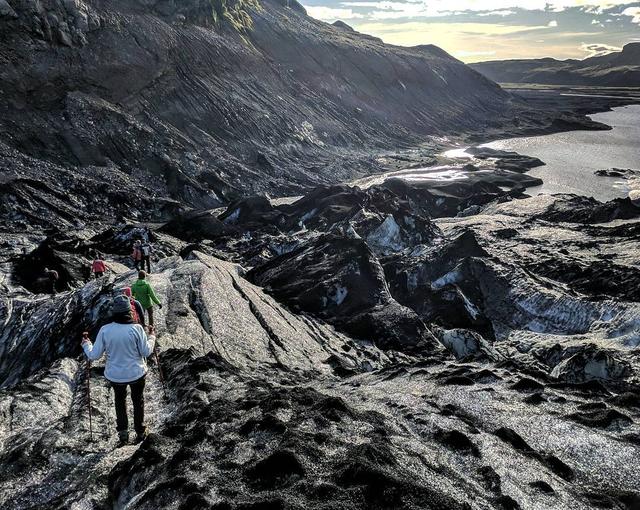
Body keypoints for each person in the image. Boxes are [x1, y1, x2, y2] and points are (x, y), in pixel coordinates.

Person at [81, 295, 156, 446]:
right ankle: (140, 431)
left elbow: (94, 355)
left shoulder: (105, 330)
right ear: (129, 310)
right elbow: (146, 352)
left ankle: (123, 434)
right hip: (137, 373)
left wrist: (86, 344)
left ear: (114, 312)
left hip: (115, 376)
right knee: (138, 400)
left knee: (119, 401)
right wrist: (152, 337)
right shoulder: (137, 329)